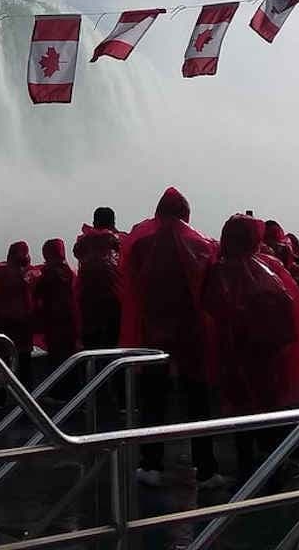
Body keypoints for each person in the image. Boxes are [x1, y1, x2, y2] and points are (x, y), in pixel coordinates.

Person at [203, 215, 299, 479]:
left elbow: (210, 308)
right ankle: (277, 465)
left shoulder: (216, 271)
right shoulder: (267, 269)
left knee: (239, 410)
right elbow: (292, 309)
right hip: (267, 355)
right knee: (271, 410)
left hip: (231, 354)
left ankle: (245, 468)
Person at [119, 187, 223, 489]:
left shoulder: (141, 245)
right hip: (192, 332)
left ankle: (150, 464)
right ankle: (205, 470)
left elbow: (132, 289)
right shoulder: (201, 245)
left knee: (153, 399)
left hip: (154, 331)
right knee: (198, 400)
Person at [0, 241, 38, 406]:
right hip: (24, 324)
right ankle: (26, 399)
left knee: (2, 363)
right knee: (25, 362)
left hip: (3, 324)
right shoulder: (32, 274)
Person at [33, 238, 80, 398]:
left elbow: (36, 292)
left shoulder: (48, 273)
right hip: (70, 321)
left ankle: (57, 394)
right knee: (68, 357)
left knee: (56, 359)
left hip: (54, 322)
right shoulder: (69, 272)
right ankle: (72, 393)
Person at [73, 214, 123, 353]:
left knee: (91, 343)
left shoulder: (83, 241)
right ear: (113, 223)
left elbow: (77, 252)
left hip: (88, 299)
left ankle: (92, 373)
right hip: (114, 297)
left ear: (94, 223)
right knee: (112, 342)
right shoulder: (119, 239)